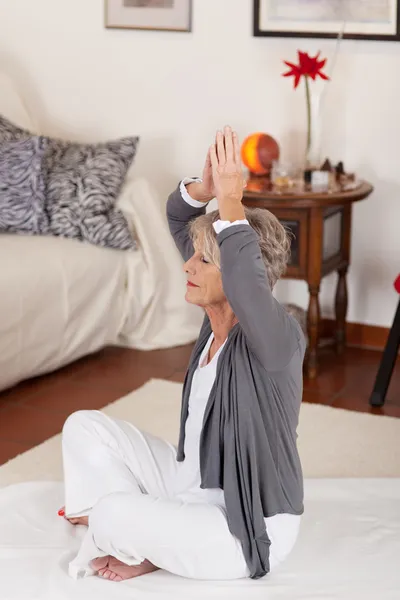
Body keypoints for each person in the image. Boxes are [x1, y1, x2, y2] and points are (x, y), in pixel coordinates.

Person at [61, 126, 306, 583]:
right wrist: (208, 189)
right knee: (85, 427)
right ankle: (151, 535)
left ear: (237, 275)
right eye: (192, 256)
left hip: (242, 527)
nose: (188, 267)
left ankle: (135, 533)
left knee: (111, 511)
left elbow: (246, 277)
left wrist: (233, 199)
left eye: (204, 261)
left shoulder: (278, 338)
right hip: (188, 487)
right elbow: (178, 216)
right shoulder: (215, 321)